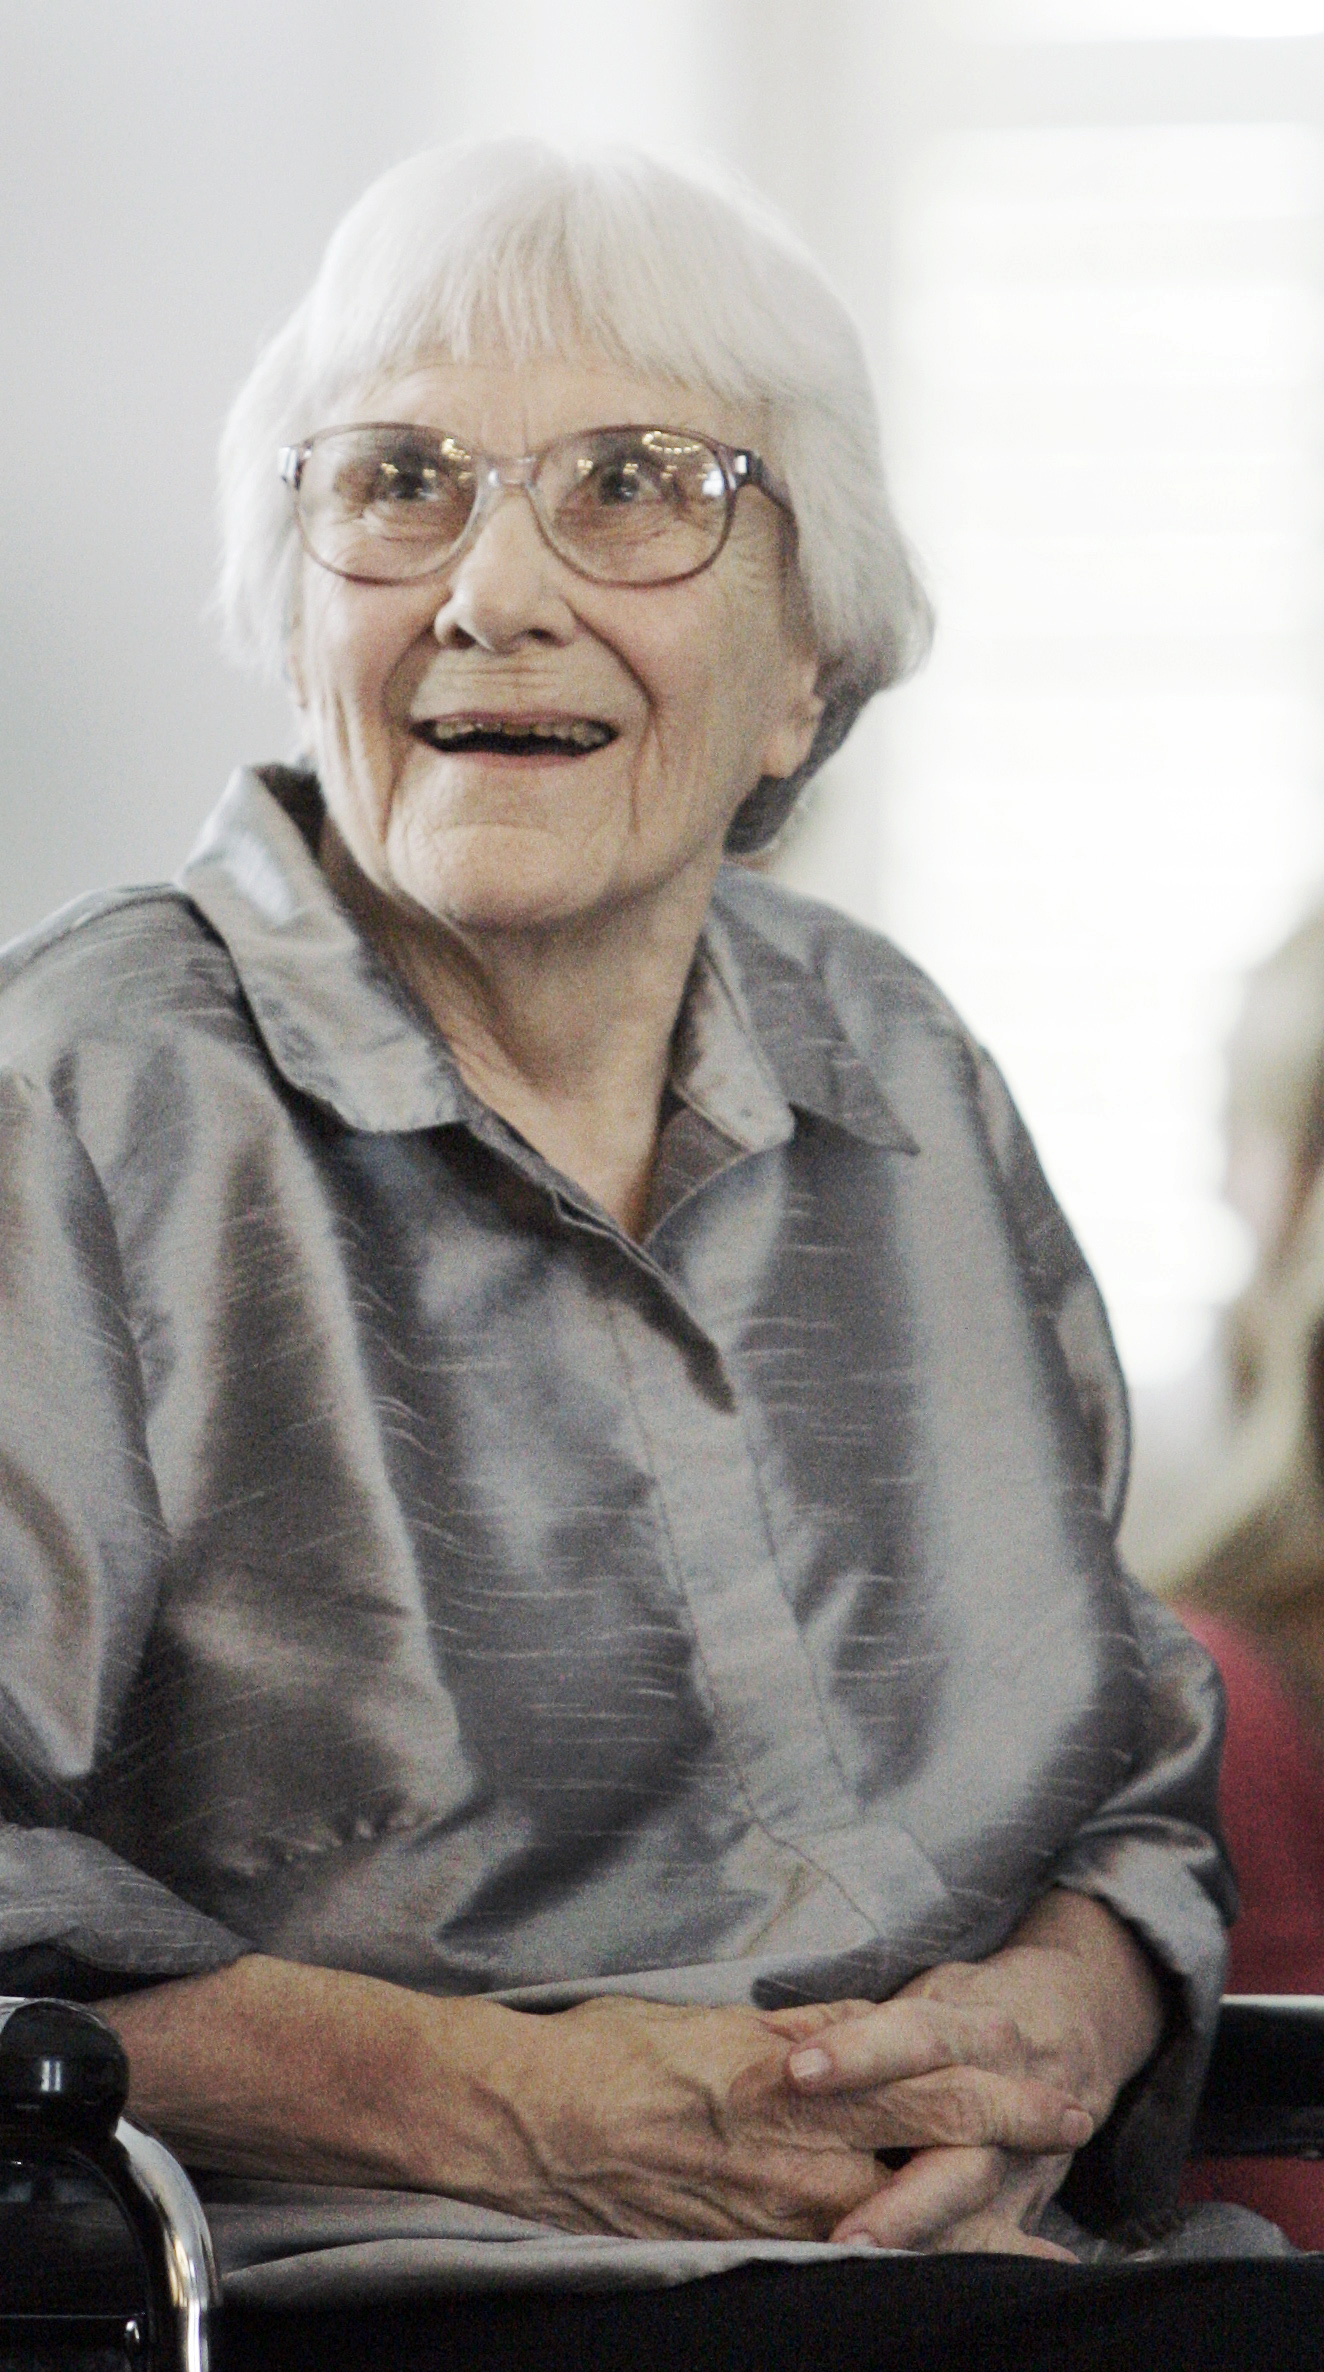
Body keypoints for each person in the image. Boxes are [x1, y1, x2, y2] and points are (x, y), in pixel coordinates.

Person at [0, 139, 1245, 2276]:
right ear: (295, 615)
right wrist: (515, 2108)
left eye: (635, 486)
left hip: (1005, 2276)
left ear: (805, 664)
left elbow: (1128, 1774)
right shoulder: (82, 1103)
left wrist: (1063, 2024)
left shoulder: (902, 1067)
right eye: (401, 484)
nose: (493, 591)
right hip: (403, 2307)